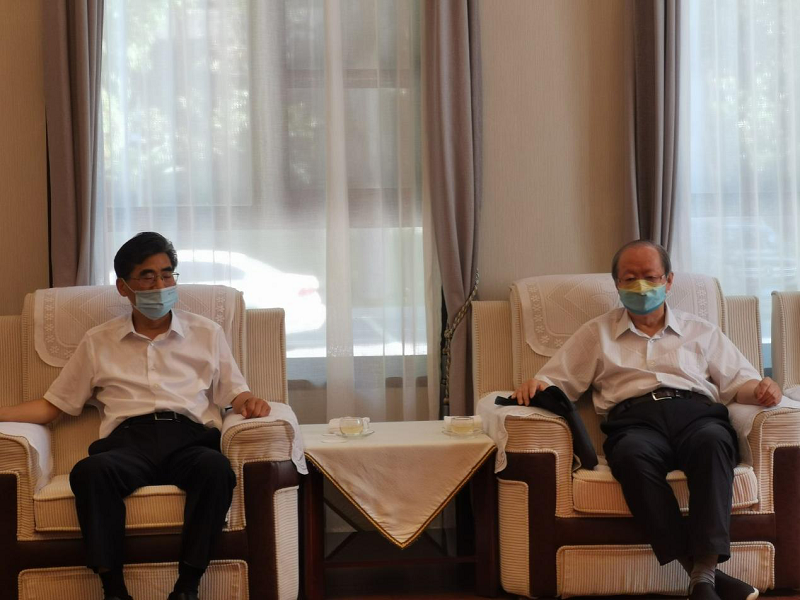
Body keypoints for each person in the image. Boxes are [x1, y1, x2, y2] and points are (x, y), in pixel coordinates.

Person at [0, 232, 271, 600]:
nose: (160, 285)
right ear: (123, 287)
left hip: (189, 439)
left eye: (167, 274)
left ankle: (187, 587)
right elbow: (54, 405)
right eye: (147, 276)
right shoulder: (98, 341)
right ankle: (114, 590)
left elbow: (235, 393)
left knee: (216, 469)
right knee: (90, 472)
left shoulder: (207, 333)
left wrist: (249, 402)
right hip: (128, 444)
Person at [512, 239, 778, 600]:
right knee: (631, 457)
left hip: (696, 415)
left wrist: (761, 390)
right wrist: (536, 384)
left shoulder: (701, 331)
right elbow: (556, 382)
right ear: (617, 283)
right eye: (630, 278)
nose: (641, 286)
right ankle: (704, 578)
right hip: (634, 423)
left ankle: (703, 575)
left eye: (650, 277)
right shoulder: (596, 333)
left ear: (668, 281)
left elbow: (739, 384)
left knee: (714, 443)